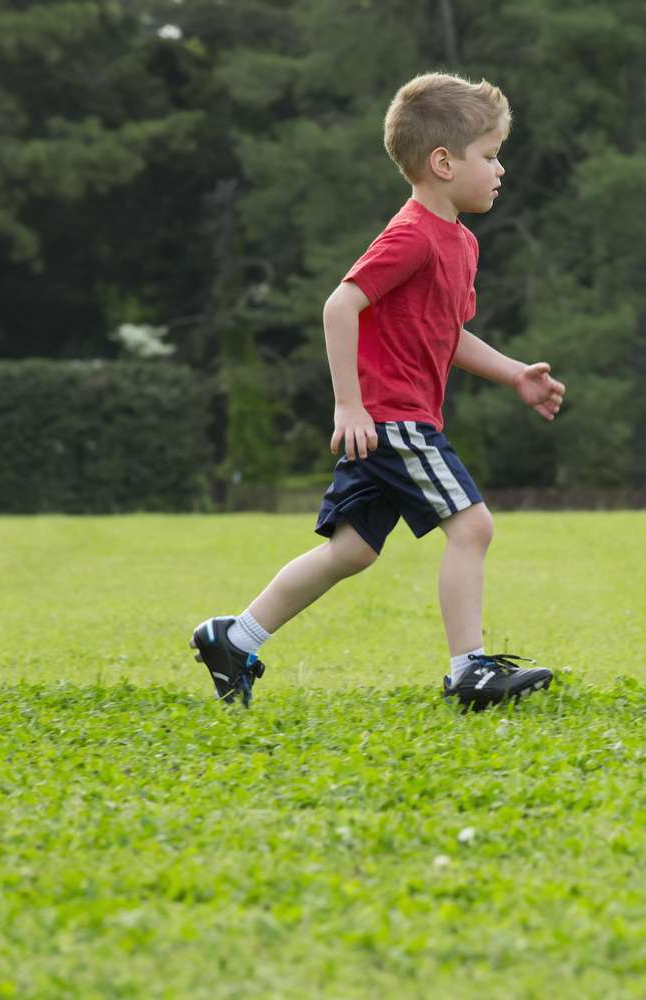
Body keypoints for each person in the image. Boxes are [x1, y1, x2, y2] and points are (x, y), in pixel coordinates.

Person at [190, 72, 564, 712]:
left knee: (352, 550)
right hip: (393, 420)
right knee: (472, 527)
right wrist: (350, 405)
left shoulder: (460, 242)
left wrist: (514, 374)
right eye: (491, 154)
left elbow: (450, 334)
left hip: (394, 419)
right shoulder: (414, 233)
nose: (501, 169)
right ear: (443, 162)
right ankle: (468, 670)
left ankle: (234, 636)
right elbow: (341, 305)